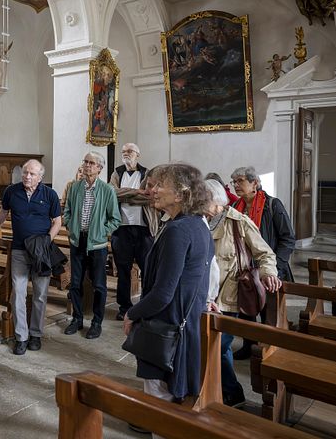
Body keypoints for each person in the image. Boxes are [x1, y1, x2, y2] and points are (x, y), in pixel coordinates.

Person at [123, 164, 213, 418]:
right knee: (170, 404)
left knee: (159, 406)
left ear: (181, 194)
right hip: (184, 323)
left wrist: (133, 313)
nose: (153, 190)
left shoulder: (178, 230)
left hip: (167, 328)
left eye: (160, 185)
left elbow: (163, 293)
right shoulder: (196, 224)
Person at [204, 179, 281, 407]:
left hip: (229, 294)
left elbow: (266, 253)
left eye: (202, 197)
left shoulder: (238, 222)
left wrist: (269, 273)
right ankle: (213, 389)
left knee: (220, 345)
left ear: (216, 201)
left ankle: (232, 393)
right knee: (210, 345)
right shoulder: (200, 220)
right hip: (204, 294)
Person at [0, 159, 62, 355]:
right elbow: (3, 213)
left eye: (32, 174)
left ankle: (36, 334)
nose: (27, 177)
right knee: (18, 293)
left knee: (40, 294)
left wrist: (47, 240)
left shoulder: (50, 194)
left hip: (41, 252)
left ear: (40, 177)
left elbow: (57, 221)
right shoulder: (12, 191)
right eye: (25, 173)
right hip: (19, 250)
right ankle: (21, 336)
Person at [230, 166, 295, 360]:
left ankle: (269, 348)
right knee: (246, 309)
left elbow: (288, 238)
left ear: (254, 183)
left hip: (270, 268)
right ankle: (249, 345)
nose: (236, 185)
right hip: (246, 269)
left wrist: (276, 268)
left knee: (269, 312)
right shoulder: (235, 208)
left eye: (240, 181)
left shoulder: (272, 205)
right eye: (234, 182)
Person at [63, 151, 120, 339]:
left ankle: (96, 322)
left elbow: (115, 219)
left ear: (100, 168)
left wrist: (101, 232)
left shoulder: (107, 190)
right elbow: (68, 211)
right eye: (85, 161)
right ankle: (77, 319)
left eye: (91, 163)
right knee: (76, 283)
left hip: (97, 245)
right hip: (77, 241)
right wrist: (70, 226)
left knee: (99, 285)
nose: (87, 165)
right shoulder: (75, 187)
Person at [108, 143, 153, 320]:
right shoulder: (116, 172)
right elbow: (112, 193)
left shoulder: (147, 172)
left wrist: (127, 196)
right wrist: (135, 193)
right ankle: (124, 307)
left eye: (130, 151)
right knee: (123, 270)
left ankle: (145, 306)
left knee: (147, 269)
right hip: (121, 228)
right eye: (124, 151)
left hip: (144, 228)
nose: (126, 154)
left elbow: (148, 196)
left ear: (138, 155)